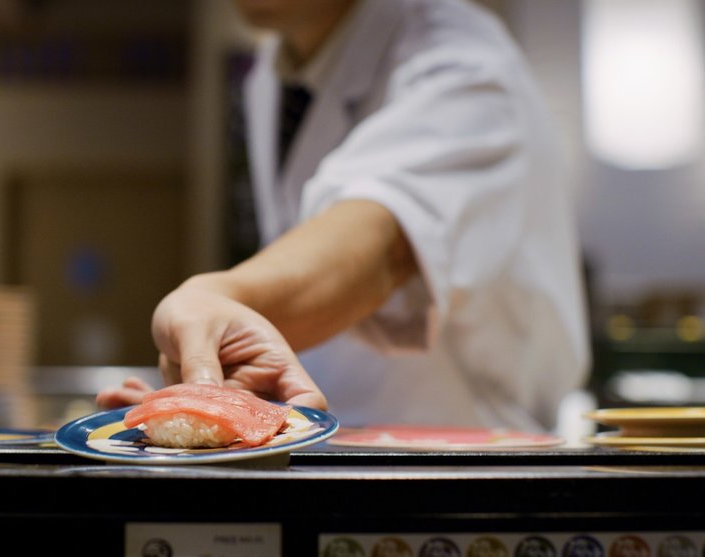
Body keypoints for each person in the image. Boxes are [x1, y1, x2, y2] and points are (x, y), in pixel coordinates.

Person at [98, 0, 589, 432]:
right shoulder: (271, 72)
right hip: (323, 442)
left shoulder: (463, 62)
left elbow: (382, 248)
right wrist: (227, 398)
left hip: (466, 460)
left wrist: (219, 299)